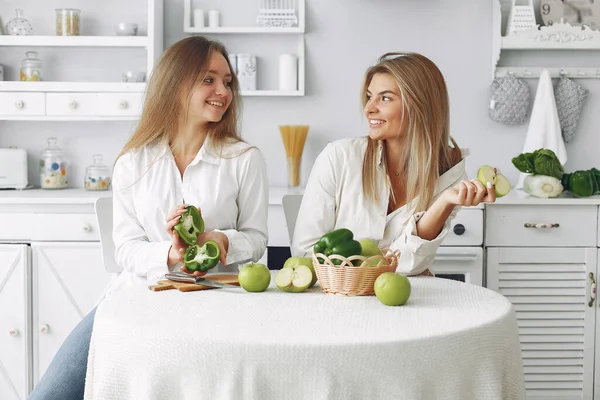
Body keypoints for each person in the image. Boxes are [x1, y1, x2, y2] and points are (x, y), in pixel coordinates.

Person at [28, 36, 268, 400]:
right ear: (175, 83)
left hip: (216, 301)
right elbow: (125, 248)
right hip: (135, 296)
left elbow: (256, 238)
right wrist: (169, 255)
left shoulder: (244, 159)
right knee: (51, 394)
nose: (223, 91)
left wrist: (221, 240)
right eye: (209, 79)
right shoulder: (133, 163)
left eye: (228, 81)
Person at [291, 52, 495, 276]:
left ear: (420, 105)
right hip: (339, 299)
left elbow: (411, 263)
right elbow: (305, 254)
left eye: (385, 98)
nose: (369, 108)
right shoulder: (339, 157)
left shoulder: (451, 175)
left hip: (403, 301)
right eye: (370, 96)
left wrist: (444, 202)